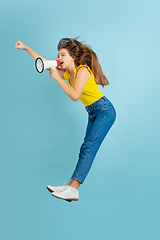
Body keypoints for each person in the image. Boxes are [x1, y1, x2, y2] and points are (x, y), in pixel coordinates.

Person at [14, 38, 116, 202]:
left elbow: (75, 95)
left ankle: (73, 189)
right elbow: (44, 63)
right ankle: (69, 187)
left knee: (89, 147)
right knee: (85, 148)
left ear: (72, 58)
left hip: (104, 110)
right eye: (58, 55)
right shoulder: (68, 73)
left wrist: (58, 78)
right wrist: (26, 48)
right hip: (93, 112)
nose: (59, 58)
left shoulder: (82, 70)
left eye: (62, 55)